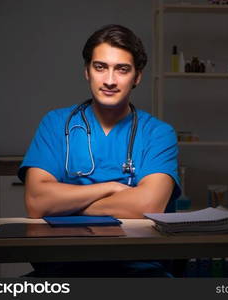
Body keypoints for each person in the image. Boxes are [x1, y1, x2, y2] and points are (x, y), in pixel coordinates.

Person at [18, 24, 181, 277]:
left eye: (122, 69)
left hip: (138, 269)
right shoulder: (55, 124)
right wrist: (110, 188)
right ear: (87, 71)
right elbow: (37, 201)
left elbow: (148, 205)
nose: (109, 80)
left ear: (137, 76)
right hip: (63, 267)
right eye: (100, 67)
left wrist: (66, 208)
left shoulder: (158, 133)